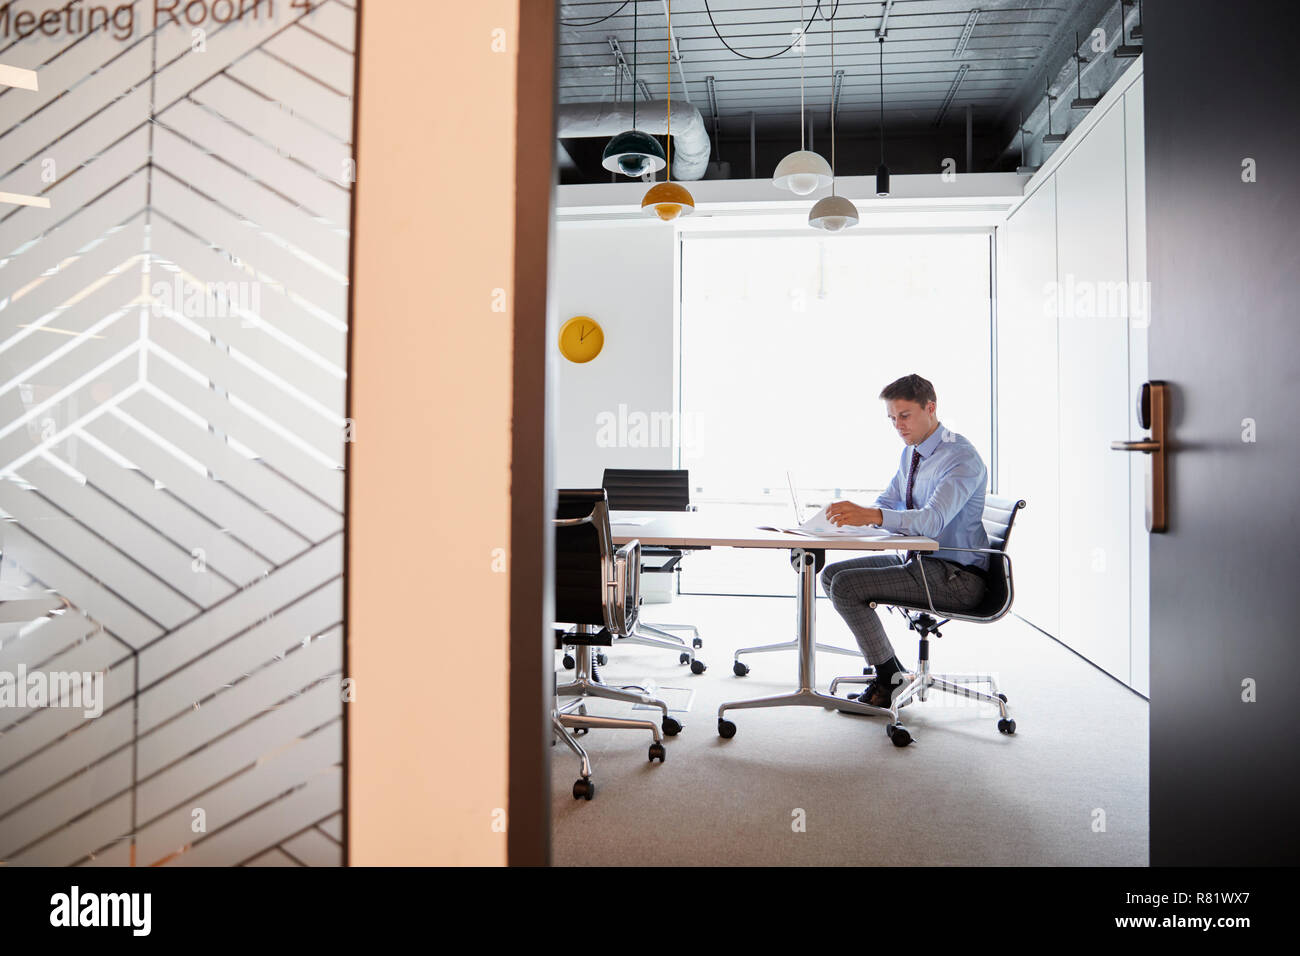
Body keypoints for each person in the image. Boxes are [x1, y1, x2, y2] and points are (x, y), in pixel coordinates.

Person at [821, 373, 990, 708]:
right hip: (922, 562)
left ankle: (890, 680)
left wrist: (872, 517)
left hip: (957, 577)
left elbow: (931, 521)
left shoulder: (960, 457)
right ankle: (895, 673)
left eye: (904, 415)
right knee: (831, 575)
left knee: (846, 588)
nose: (898, 425)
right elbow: (889, 501)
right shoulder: (911, 453)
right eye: (892, 418)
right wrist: (849, 520)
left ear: (931, 407)